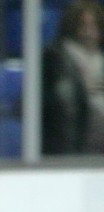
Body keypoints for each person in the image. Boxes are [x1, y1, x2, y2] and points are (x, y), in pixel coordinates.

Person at [42, 0, 104, 155]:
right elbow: (60, 103)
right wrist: (82, 91)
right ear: (72, 26)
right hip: (74, 141)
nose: (89, 33)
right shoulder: (56, 58)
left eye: (94, 26)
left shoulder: (100, 59)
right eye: (84, 26)